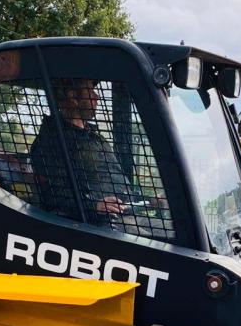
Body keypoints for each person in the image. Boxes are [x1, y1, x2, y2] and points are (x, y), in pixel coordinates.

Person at [29, 79, 165, 228]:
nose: (97, 96)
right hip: (95, 224)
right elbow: (52, 195)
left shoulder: (93, 136)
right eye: (90, 91)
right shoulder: (52, 142)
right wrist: (94, 206)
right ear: (73, 97)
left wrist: (149, 201)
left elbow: (115, 181)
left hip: (126, 214)